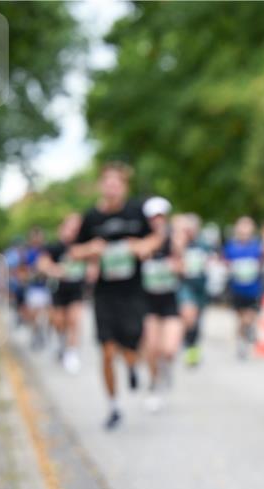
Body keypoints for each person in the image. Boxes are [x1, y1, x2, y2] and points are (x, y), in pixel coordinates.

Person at [70, 162, 165, 430]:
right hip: (105, 293)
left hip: (133, 292)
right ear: (101, 186)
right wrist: (91, 248)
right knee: (107, 351)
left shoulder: (136, 212)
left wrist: (140, 246)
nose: (112, 187)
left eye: (117, 183)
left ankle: (133, 366)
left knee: (132, 347)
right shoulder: (91, 218)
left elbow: (156, 239)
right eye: (107, 183)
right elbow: (74, 252)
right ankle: (113, 406)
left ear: (124, 187)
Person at [140, 197, 184, 413]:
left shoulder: (173, 239)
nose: (157, 220)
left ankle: (166, 370)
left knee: (169, 349)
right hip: (149, 302)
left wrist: (175, 263)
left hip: (169, 300)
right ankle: (154, 384)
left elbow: (183, 266)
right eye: (153, 217)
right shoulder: (143, 240)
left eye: (161, 216)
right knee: (152, 347)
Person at [38, 213, 86, 374]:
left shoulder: (82, 246)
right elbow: (42, 263)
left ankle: (71, 353)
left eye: (76, 229)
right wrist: (55, 270)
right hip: (58, 289)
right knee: (59, 321)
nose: (72, 232)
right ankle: (61, 343)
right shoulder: (54, 247)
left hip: (76, 289)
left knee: (74, 320)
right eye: (70, 228)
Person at [224, 216, 264, 359]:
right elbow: (226, 262)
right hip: (237, 288)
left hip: (253, 288)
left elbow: (263, 261)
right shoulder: (231, 247)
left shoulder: (257, 246)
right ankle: (241, 341)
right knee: (240, 318)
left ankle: (248, 331)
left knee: (250, 316)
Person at [175, 213, 210, 367]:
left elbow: (213, 260)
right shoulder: (178, 243)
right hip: (184, 285)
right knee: (188, 315)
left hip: (200, 286)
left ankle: (192, 348)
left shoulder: (203, 245)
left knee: (196, 321)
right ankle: (185, 343)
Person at [22, 227, 52, 350]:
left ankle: (44, 332)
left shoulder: (46, 251)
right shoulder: (28, 253)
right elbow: (23, 270)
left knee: (47, 313)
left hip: (46, 287)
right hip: (33, 288)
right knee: (33, 314)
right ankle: (36, 333)